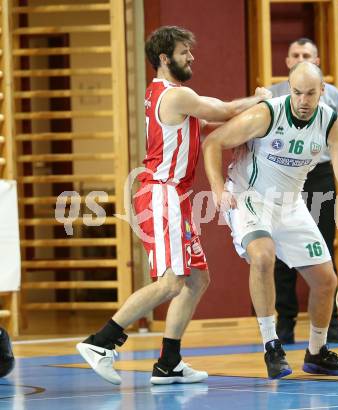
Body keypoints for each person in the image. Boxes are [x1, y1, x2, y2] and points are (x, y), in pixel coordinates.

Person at [76, 26, 271, 385]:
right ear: (164, 59)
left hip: (175, 198)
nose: (191, 57)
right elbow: (225, 108)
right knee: (170, 282)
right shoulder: (175, 95)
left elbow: (215, 117)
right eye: (184, 52)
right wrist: (262, 100)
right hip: (161, 194)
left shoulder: (171, 96)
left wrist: (250, 109)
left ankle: (169, 362)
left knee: (197, 279)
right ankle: (101, 342)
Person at [203, 61, 338, 379]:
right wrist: (216, 189)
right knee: (263, 255)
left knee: (326, 281)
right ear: (289, 89)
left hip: (290, 203)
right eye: (297, 92)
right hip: (249, 196)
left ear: (323, 92)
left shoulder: (331, 125)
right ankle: (272, 346)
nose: (303, 100)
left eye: (311, 93)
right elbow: (212, 142)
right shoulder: (268, 114)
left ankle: (317, 353)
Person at [270, 38, 338, 344]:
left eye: (306, 55)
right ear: (286, 61)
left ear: (317, 62)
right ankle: (285, 322)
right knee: (282, 253)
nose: (299, 58)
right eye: (294, 54)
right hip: (284, 175)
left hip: (319, 174)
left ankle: (330, 322)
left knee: (322, 248)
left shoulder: (332, 96)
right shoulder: (274, 95)